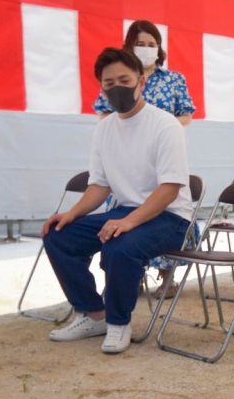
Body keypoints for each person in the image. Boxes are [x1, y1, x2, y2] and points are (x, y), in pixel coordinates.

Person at [44, 47, 192, 354]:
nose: (118, 87)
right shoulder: (104, 128)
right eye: (109, 84)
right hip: (128, 211)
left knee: (119, 245)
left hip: (170, 217)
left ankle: (118, 323)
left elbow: (170, 189)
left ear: (140, 81)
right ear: (101, 88)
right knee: (59, 235)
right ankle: (93, 314)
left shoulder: (165, 125)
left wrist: (127, 222)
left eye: (124, 79)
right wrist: (70, 214)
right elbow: (99, 185)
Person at [94, 20, 197, 299]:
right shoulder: (118, 77)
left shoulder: (173, 79)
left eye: (152, 45)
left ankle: (167, 277)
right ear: (129, 45)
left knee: (163, 210)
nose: (147, 49)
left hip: (161, 154)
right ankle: (128, 277)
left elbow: (187, 113)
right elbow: (104, 111)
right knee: (120, 222)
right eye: (141, 43)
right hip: (127, 163)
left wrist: (160, 127)